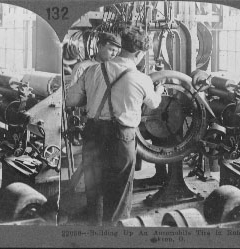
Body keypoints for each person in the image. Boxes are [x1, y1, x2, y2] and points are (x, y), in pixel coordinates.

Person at [65, 26, 164, 226]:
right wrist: (159, 90)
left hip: (93, 134)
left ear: (121, 48)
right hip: (121, 138)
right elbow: (154, 104)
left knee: (94, 191)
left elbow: (70, 100)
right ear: (139, 53)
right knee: (118, 194)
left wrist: (92, 96)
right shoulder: (142, 79)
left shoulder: (93, 70)